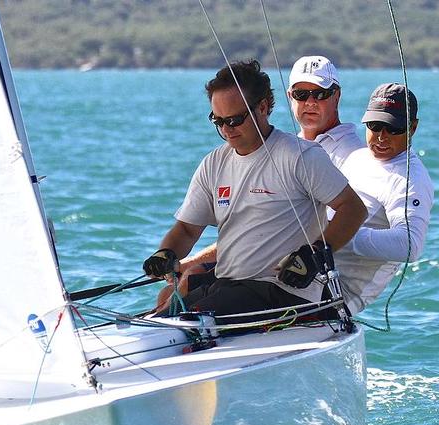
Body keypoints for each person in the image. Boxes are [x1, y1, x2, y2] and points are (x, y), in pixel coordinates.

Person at [143, 59, 366, 321]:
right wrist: (166, 253)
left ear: (263, 107)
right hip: (230, 285)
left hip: (282, 292)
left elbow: (353, 208)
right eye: (219, 121)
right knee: (161, 314)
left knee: (181, 323)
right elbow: (187, 230)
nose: (227, 129)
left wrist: (315, 254)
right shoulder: (214, 163)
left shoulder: (300, 156)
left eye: (235, 120)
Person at [333, 83, 434, 313]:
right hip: (308, 272)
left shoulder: (411, 179)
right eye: (375, 126)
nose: (381, 137)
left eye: (393, 128)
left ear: (413, 128)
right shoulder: (357, 158)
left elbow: (410, 245)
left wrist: (335, 237)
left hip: (338, 297)